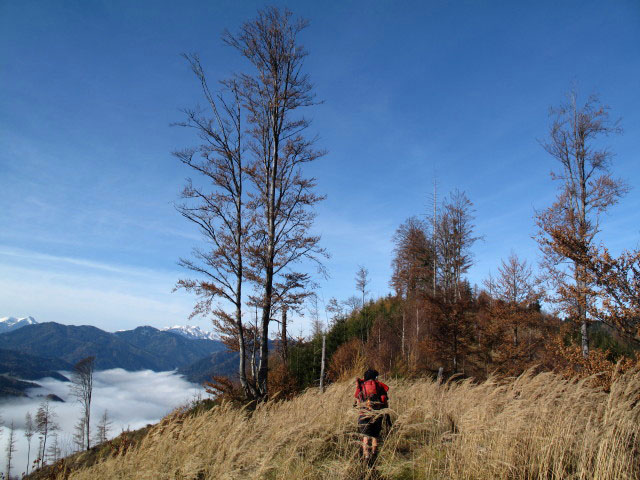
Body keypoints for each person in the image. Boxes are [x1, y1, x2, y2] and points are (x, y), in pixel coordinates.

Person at [353, 368, 389, 463]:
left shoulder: (361, 386)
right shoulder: (379, 386)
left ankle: (366, 458)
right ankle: (374, 456)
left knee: (365, 437)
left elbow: (356, 401)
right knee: (375, 436)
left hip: (364, 414)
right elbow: (385, 402)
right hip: (377, 414)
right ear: (375, 377)